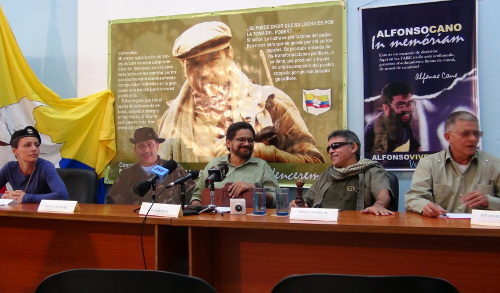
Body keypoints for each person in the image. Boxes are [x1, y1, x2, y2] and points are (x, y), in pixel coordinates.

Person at [157, 21, 324, 164]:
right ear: (183, 69)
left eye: (212, 60)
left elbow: (314, 162)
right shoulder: (170, 120)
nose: (204, 72)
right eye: (193, 65)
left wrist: (263, 153)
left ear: (228, 55)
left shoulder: (268, 103)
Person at [405, 111, 500, 217]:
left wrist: (489, 201)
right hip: (442, 229)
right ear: (448, 137)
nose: (473, 139)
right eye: (465, 134)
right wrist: (424, 205)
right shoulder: (429, 164)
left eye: (476, 134)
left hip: (481, 231)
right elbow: (413, 198)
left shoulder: (494, 165)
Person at [290, 129, 394, 216]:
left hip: (356, 228)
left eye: (335, 145)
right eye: (328, 148)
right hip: (322, 228)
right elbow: (307, 199)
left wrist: (379, 205)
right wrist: (297, 204)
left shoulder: (372, 170)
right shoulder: (327, 174)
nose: (330, 151)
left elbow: (383, 194)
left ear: (353, 147)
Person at [190, 122, 279, 207]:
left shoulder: (261, 166)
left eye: (250, 140)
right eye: (241, 140)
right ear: (228, 143)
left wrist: (254, 188)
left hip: (250, 221)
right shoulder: (215, 164)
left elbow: (277, 200)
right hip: (217, 221)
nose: (247, 144)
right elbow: (197, 197)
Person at [107, 127, 195, 205]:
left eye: (150, 144)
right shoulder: (126, 174)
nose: (146, 150)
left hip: (168, 222)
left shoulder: (174, 169)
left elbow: (193, 196)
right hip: (137, 221)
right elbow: (112, 204)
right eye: (141, 146)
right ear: (135, 150)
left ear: (157, 146)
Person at [0, 126, 68, 203]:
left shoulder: (46, 167)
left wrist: (26, 198)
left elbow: (62, 195)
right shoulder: (9, 168)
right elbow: (11, 197)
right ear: (15, 151)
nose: (34, 149)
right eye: (28, 145)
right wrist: (5, 196)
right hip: (20, 212)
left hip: (42, 213)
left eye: (37, 145)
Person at [365, 81, 421, 154]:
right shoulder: (371, 130)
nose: (408, 109)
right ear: (386, 108)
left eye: (410, 103)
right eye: (400, 105)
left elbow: (417, 149)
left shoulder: (403, 122)